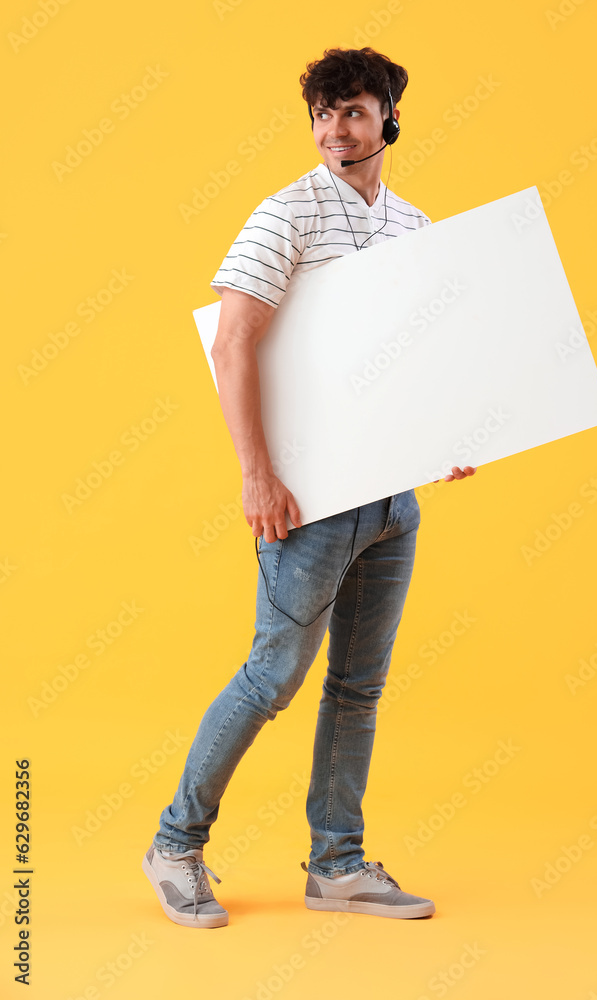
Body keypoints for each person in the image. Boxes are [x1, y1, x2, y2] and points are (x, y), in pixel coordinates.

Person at [142, 46, 476, 929]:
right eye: (324, 114)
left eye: (354, 111)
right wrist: (257, 475)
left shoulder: (410, 224)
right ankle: (175, 845)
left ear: (388, 119)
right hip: (307, 499)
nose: (335, 129)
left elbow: (408, 358)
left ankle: (336, 865)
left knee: (357, 686)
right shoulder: (285, 213)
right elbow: (233, 343)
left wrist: (444, 440)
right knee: (270, 678)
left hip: (390, 500)